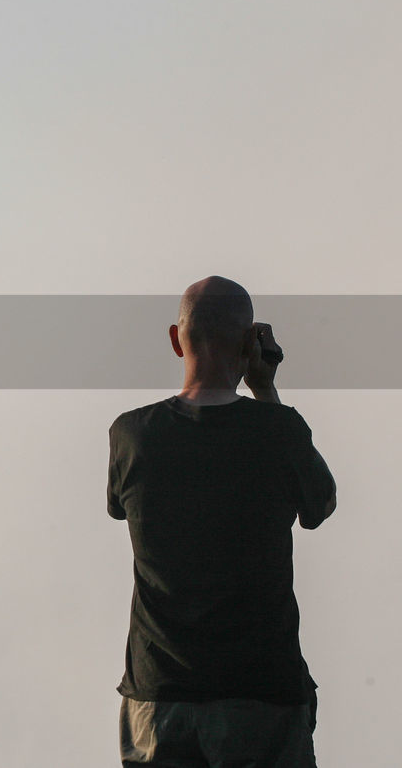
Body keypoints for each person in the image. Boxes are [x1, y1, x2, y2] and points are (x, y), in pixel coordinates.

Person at [107, 276, 336, 767]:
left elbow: (118, 505)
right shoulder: (279, 432)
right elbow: (318, 507)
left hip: (157, 699)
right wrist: (265, 389)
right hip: (261, 698)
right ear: (250, 343)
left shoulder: (132, 436)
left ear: (176, 339)